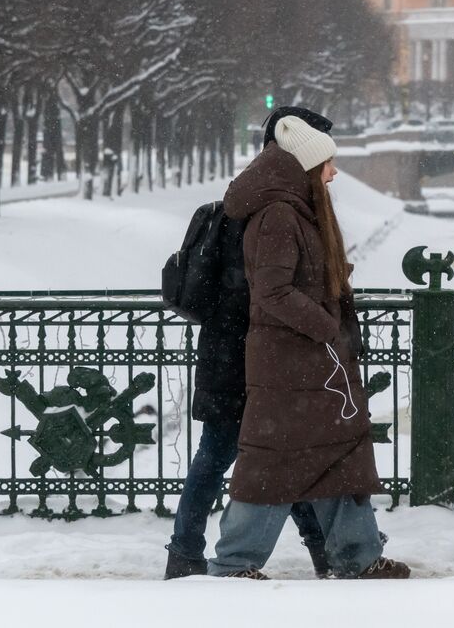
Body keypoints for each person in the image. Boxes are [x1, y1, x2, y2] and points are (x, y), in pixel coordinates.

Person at [209, 115, 407, 580]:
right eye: (327, 164)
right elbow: (273, 292)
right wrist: (324, 325)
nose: (334, 173)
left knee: (336, 453)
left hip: (303, 363)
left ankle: (357, 557)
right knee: (273, 464)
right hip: (291, 365)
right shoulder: (280, 215)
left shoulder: (292, 210)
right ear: (304, 169)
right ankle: (234, 563)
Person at [164, 107, 337, 579]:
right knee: (265, 454)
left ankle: (184, 554)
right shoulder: (267, 210)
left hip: (228, 352)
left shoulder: (243, 202)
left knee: (234, 456)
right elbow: (264, 293)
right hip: (248, 356)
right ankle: (318, 549)